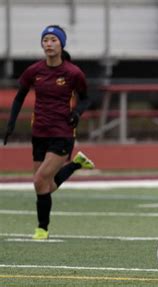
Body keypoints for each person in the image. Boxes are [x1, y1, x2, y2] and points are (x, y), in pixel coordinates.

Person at [2, 25, 95, 240]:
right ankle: (75, 164)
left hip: (62, 132)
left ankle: (42, 229)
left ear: (61, 44)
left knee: (39, 181)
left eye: (53, 39)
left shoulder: (73, 72)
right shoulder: (34, 71)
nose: (49, 43)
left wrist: (77, 113)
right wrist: (11, 123)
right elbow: (19, 97)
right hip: (39, 132)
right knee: (45, 184)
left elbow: (87, 98)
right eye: (46, 40)